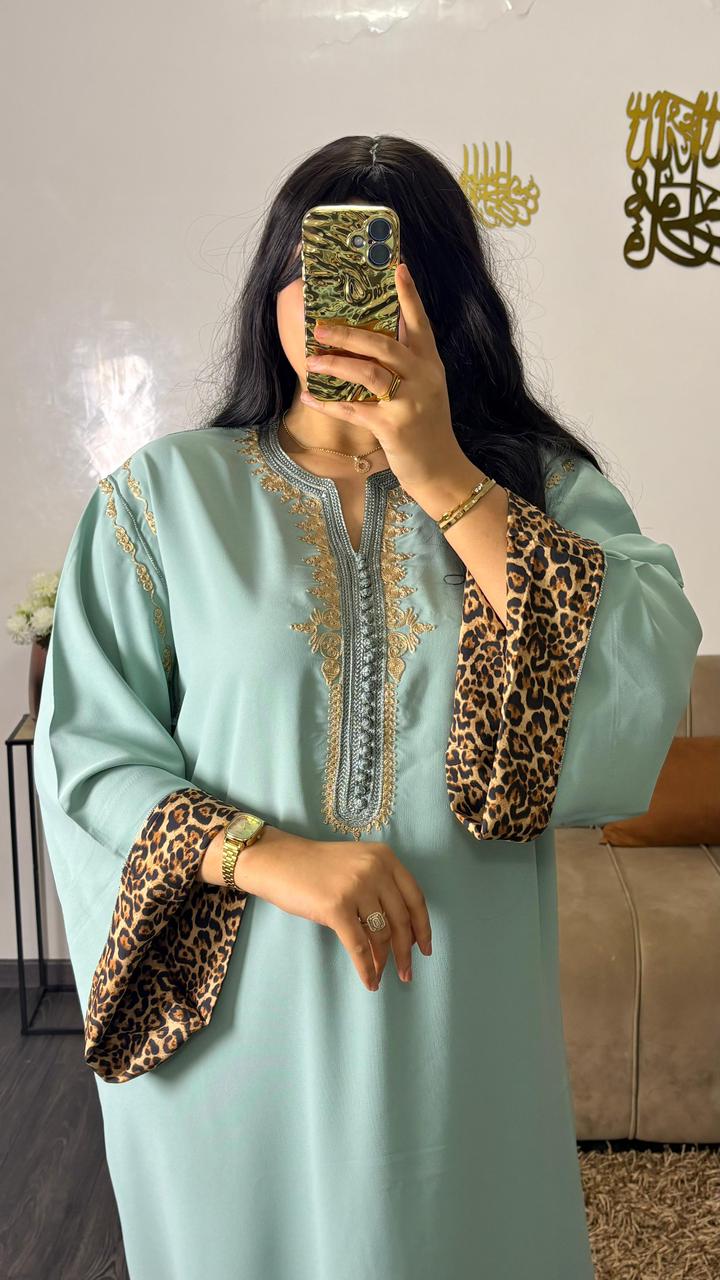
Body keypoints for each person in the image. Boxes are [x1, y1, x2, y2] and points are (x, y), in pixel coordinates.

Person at [32, 134, 702, 1280]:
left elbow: (635, 685)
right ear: (271, 292)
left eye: (385, 277)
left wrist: (438, 468)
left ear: (444, 307)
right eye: (313, 268)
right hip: (240, 1031)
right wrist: (269, 854)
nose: (336, 306)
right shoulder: (161, 500)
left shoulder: (540, 493)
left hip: (458, 1026)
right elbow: (88, 752)